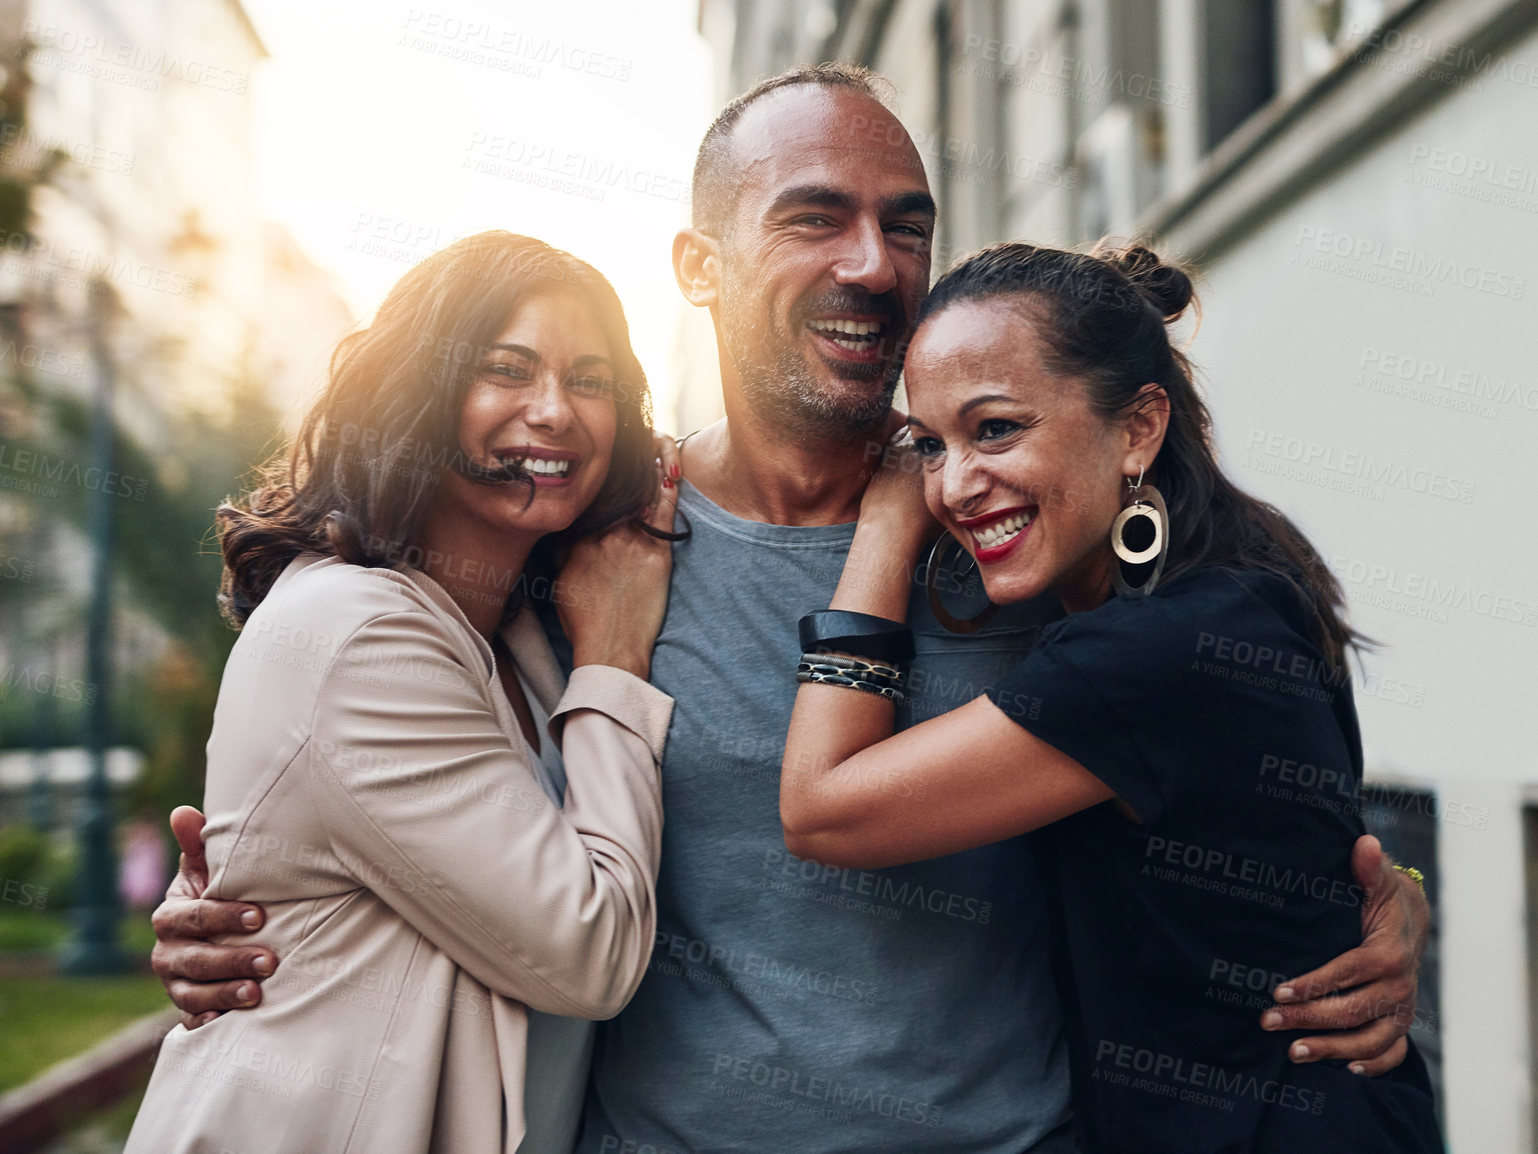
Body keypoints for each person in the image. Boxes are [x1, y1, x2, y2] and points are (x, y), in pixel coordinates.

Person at [148, 67, 1433, 1154]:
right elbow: (387, 754)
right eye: (815, 218)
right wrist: (247, 912)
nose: (872, 265)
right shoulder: (590, 538)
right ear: (700, 265)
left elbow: (1222, 761)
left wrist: (1374, 903)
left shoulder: (1014, 529)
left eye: (905, 225)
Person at [779, 239, 1445, 1152]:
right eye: (928, 445)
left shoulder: (1158, 648)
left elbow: (822, 810)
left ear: (1137, 428)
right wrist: (1398, 894)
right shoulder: (1240, 584)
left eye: (997, 429)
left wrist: (886, 529)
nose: (954, 485)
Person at [125, 232, 679, 1154]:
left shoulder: (513, 635)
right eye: (506, 369)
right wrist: (617, 660)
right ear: (422, 393)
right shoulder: (363, 633)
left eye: (591, 380)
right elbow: (588, 950)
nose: (555, 412)